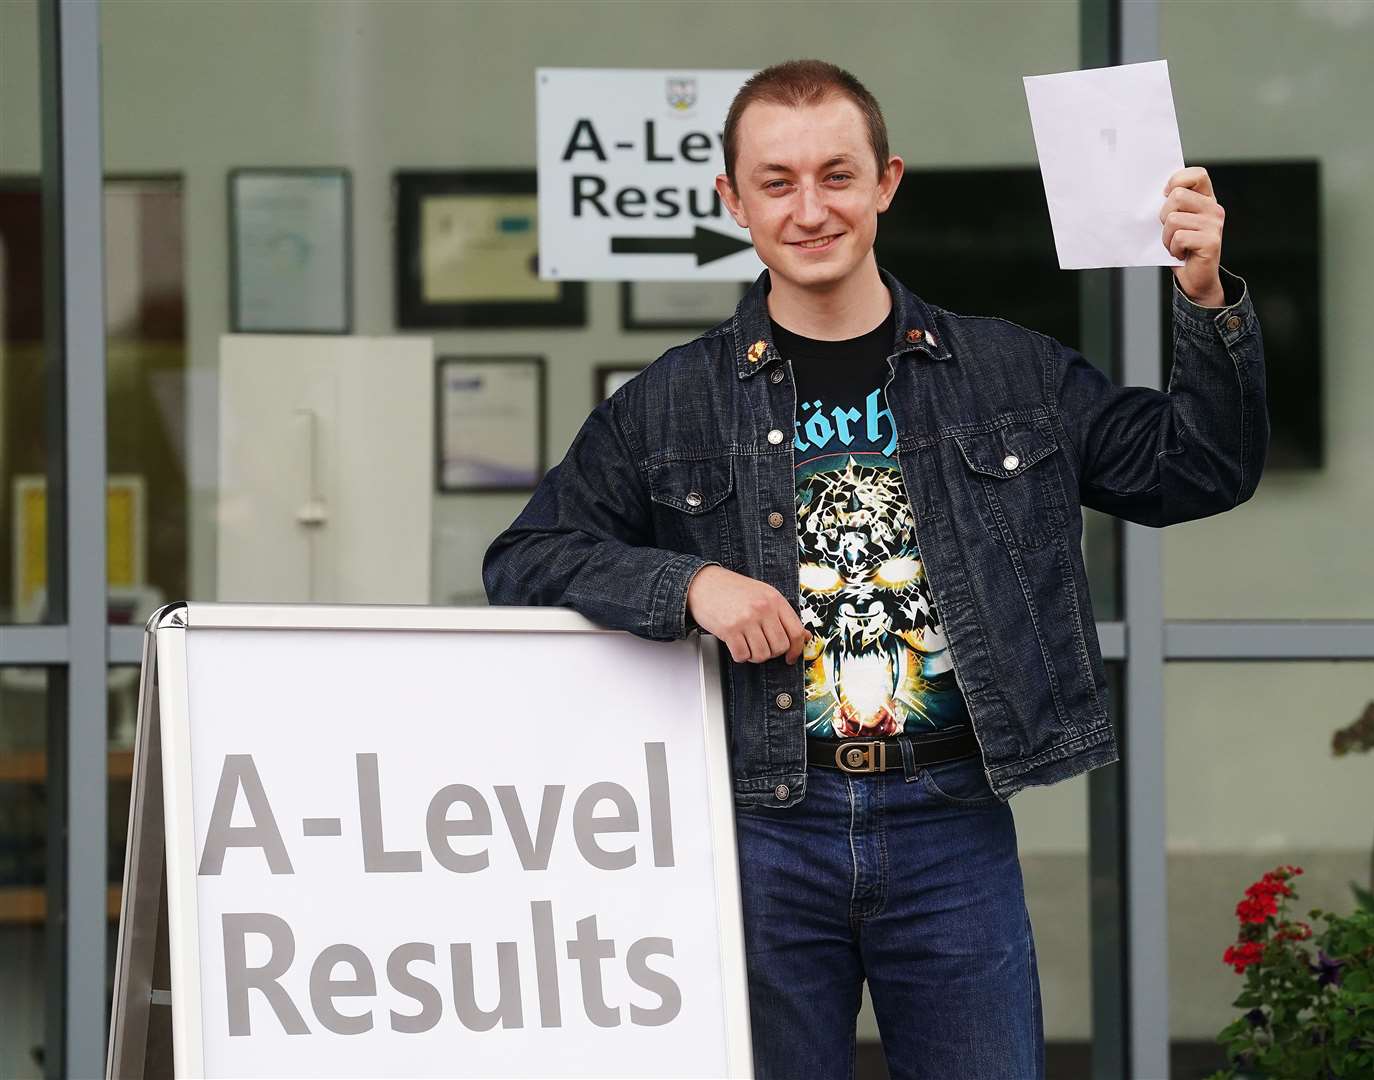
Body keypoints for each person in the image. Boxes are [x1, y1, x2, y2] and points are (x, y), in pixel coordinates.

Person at [484, 58, 1267, 1080]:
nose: (810, 209)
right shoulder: (671, 402)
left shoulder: (1010, 373)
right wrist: (687, 588)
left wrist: (1203, 293)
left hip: (952, 827)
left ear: (888, 181)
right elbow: (527, 558)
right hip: (759, 828)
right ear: (731, 199)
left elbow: (1196, 469)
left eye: (838, 176)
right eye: (776, 182)